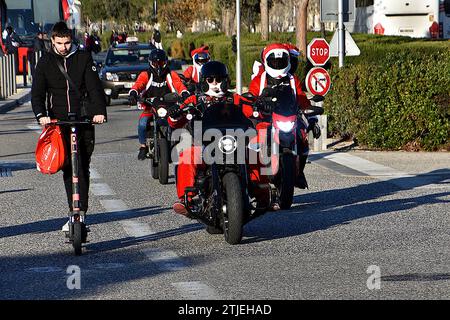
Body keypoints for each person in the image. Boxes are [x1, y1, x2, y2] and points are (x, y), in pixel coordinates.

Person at [31, 21, 107, 232]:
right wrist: (41, 115)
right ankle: (73, 212)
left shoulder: (83, 58)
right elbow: (37, 93)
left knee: (81, 166)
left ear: (71, 40)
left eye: (67, 42)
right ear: (52, 41)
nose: (63, 47)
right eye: (59, 43)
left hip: (83, 120)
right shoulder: (45, 62)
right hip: (59, 122)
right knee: (68, 168)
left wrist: (99, 112)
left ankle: (81, 213)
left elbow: (94, 88)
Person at [169, 60, 271, 215]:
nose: (215, 83)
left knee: (254, 154)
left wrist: (262, 105)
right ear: (204, 81)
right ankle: (186, 199)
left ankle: (264, 196)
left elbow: (252, 108)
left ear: (226, 80)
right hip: (205, 145)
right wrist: (175, 112)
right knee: (187, 155)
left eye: (219, 79)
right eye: (210, 80)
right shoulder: (195, 100)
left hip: (234, 143)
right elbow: (176, 119)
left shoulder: (235, 99)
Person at [244, 43, 319, 190]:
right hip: (264, 118)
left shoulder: (292, 79)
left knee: (303, 139)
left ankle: (298, 172)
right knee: (252, 143)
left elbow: (301, 97)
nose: (278, 64)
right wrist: (252, 104)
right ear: (266, 61)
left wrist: (309, 110)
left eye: (281, 62)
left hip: (287, 116)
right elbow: (250, 96)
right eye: (274, 62)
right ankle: (252, 176)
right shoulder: (260, 79)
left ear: (288, 61)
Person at [128, 49, 190, 160]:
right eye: (155, 63)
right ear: (150, 63)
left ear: (165, 63)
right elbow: (139, 84)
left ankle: (182, 145)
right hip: (150, 107)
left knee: (181, 121)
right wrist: (133, 93)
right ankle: (143, 146)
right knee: (142, 123)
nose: (158, 66)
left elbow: (179, 84)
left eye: (161, 63)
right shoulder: (145, 74)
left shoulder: (171, 74)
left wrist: (184, 93)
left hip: (169, 106)